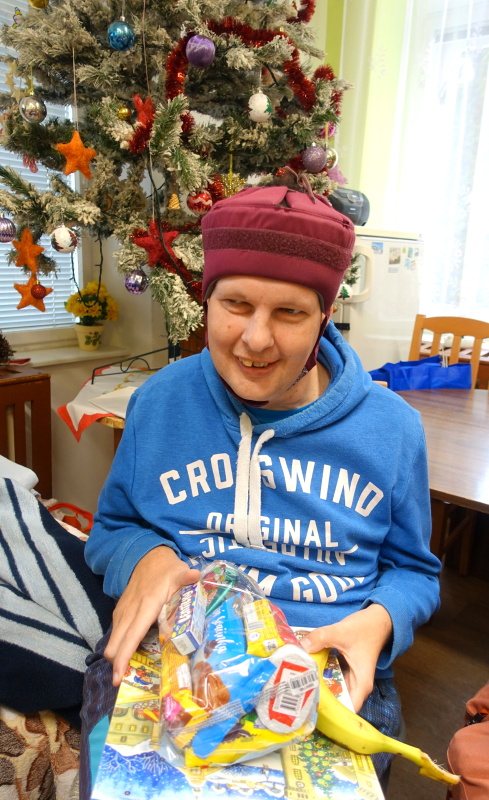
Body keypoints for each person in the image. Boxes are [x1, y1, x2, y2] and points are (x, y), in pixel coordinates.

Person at [82, 171, 441, 794]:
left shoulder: (393, 430)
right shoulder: (159, 403)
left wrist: (381, 620)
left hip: (320, 666)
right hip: (173, 655)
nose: (255, 339)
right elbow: (112, 528)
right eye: (236, 305)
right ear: (206, 301)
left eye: (290, 313)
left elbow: (414, 571)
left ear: (325, 316)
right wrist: (147, 556)